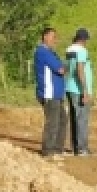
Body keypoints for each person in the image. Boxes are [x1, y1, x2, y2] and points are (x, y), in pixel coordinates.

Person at [34, 27, 67, 158]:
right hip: (49, 93)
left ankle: (57, 149)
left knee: (62, 120)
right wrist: (67, 66)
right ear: (45, 37)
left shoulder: (50, 53)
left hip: (56, 93)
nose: (55, 40)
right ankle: (48, 150)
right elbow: (60, 69)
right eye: (53, 37)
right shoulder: (43, 52)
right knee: (52, 122)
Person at [65, 28, 94, 156]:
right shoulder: (82, 51)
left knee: (74, 117)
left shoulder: (69, 49)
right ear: (83, 39)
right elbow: (80, 70)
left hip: (70, 87)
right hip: (79, 89)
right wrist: (85, 91)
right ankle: (82, 148)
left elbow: (67, 68)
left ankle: (75, 147)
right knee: (82, 118)